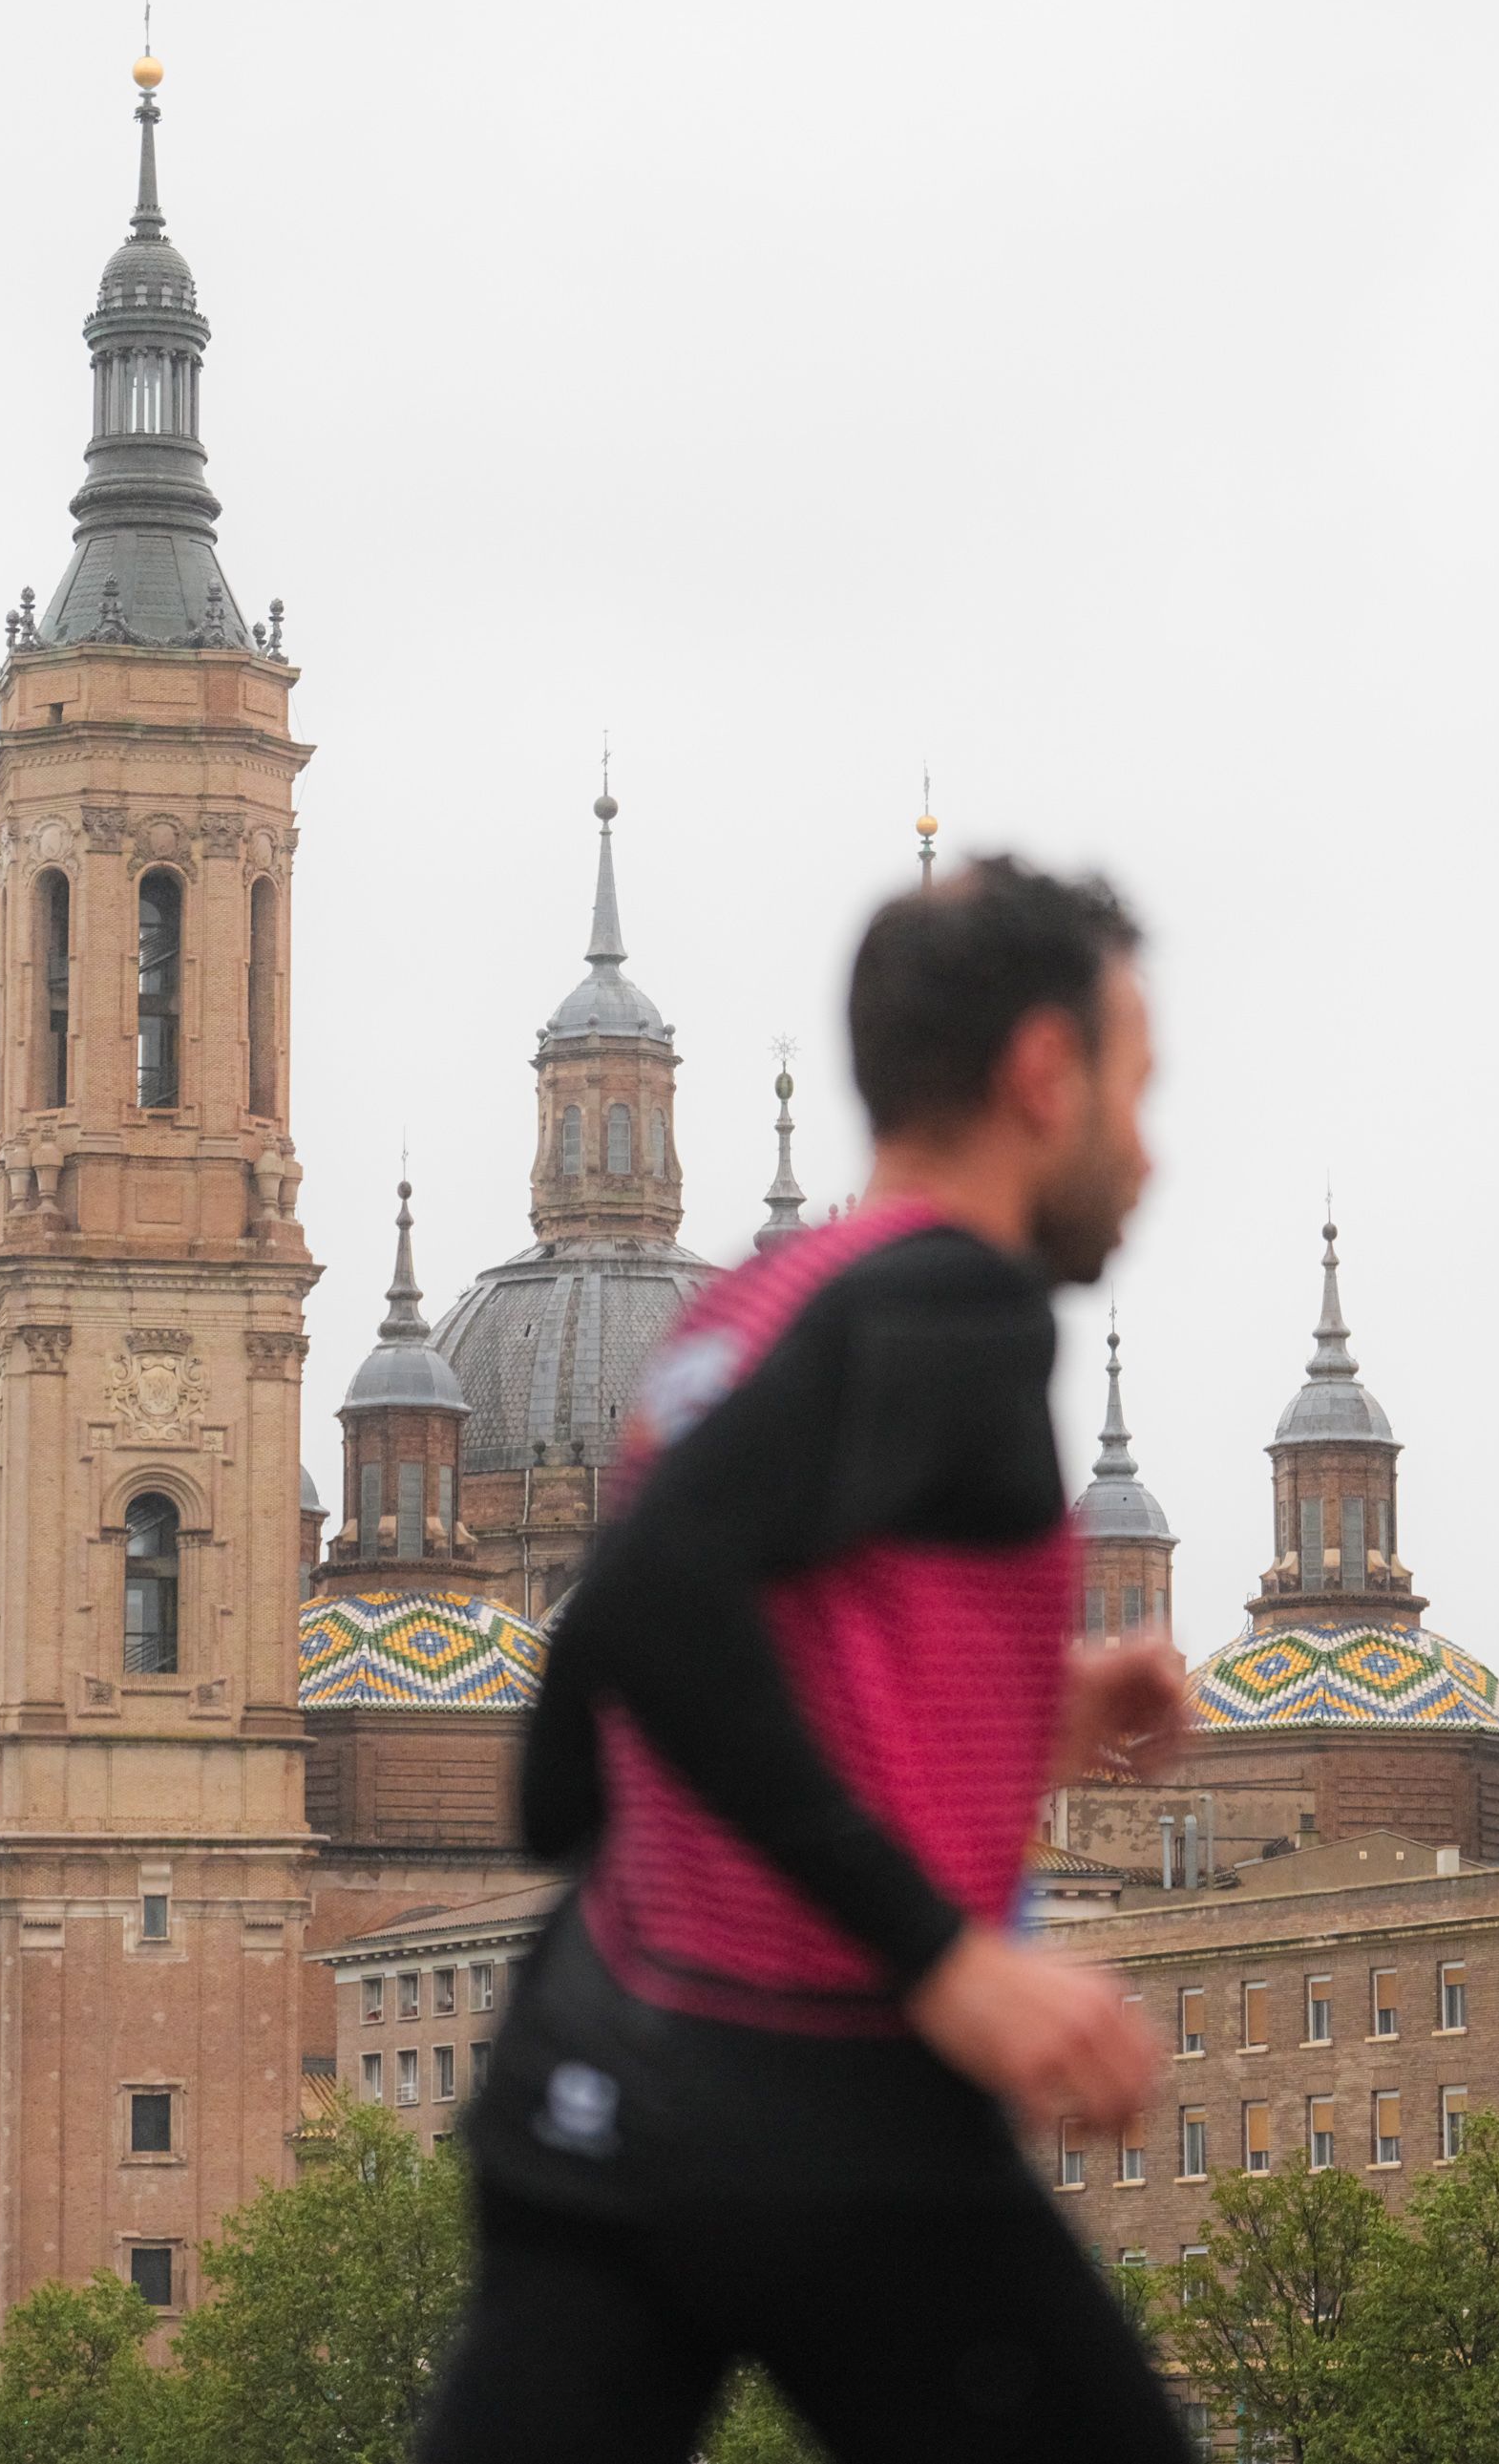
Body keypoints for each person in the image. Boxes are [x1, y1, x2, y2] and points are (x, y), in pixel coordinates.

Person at [421, 856, 1194, 2464]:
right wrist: (946, 1958)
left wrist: (1032, 1713)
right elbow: (652, 1605)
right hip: (819, 2100)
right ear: (1040, 1076)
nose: (1144, 1149)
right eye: (1135, 1087)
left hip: (589, 2081)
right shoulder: (957, 1308)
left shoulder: (755, 1307)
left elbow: (584, 1737)